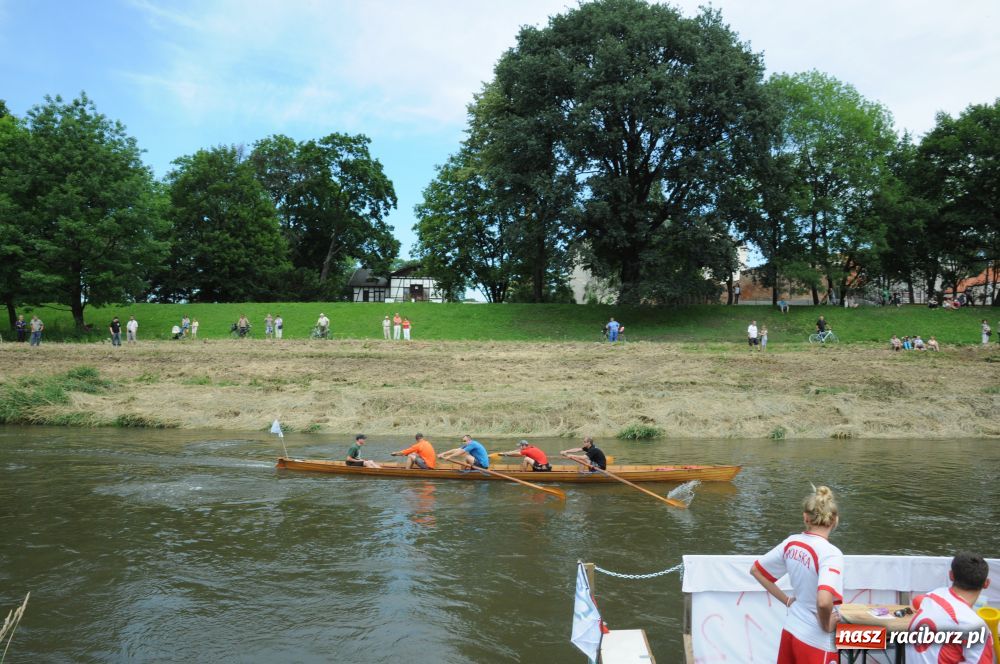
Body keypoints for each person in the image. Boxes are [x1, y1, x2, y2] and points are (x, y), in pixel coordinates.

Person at [750, 485, 843, 663]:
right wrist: (826, 625)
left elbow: (756, 570)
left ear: (805, 517)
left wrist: (787, 600)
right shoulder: (831, 554)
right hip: (816, 640)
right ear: (835, 520)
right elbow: (823, 602)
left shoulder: (792, 543)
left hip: (791, 629)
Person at [905, 552, 994, 664]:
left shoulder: (931, 596)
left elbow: (917, 600)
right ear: (986, 583)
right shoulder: (975, 626)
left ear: (951, 575)